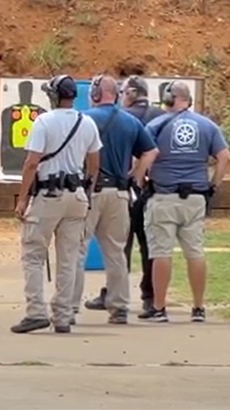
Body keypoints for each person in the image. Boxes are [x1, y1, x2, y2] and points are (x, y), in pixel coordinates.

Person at [11, 75, 102, 334]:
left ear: (54, 96)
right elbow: (94, 163)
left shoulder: (43, 121)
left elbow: (31, 163)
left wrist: (22, 198)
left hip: (48, 196)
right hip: (77, 198)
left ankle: (36, 312)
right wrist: (88, 189)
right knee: (69, 258)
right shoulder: (87, 122)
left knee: (33, 254)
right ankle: (62, 316)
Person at [134, 81, 230, 323]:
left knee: (161, 252)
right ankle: (198, 308)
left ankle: (159, 307)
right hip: (195, 196)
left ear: (168, 98)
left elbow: (148, 154)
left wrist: (140, 179)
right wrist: (213, 185)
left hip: (163, 195)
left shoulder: (156, 124)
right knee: (195, 252)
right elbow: (224, 157)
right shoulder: (207, 125)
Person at [77, 75, 158, 323]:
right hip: (120, 192)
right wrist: (136, 174)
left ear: (95, 94)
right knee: (115, 252)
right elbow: (151, 151)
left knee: (76, 250)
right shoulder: (130, 121)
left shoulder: (85, 119)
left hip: (90, 192)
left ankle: (68, 308)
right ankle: (119, 306)